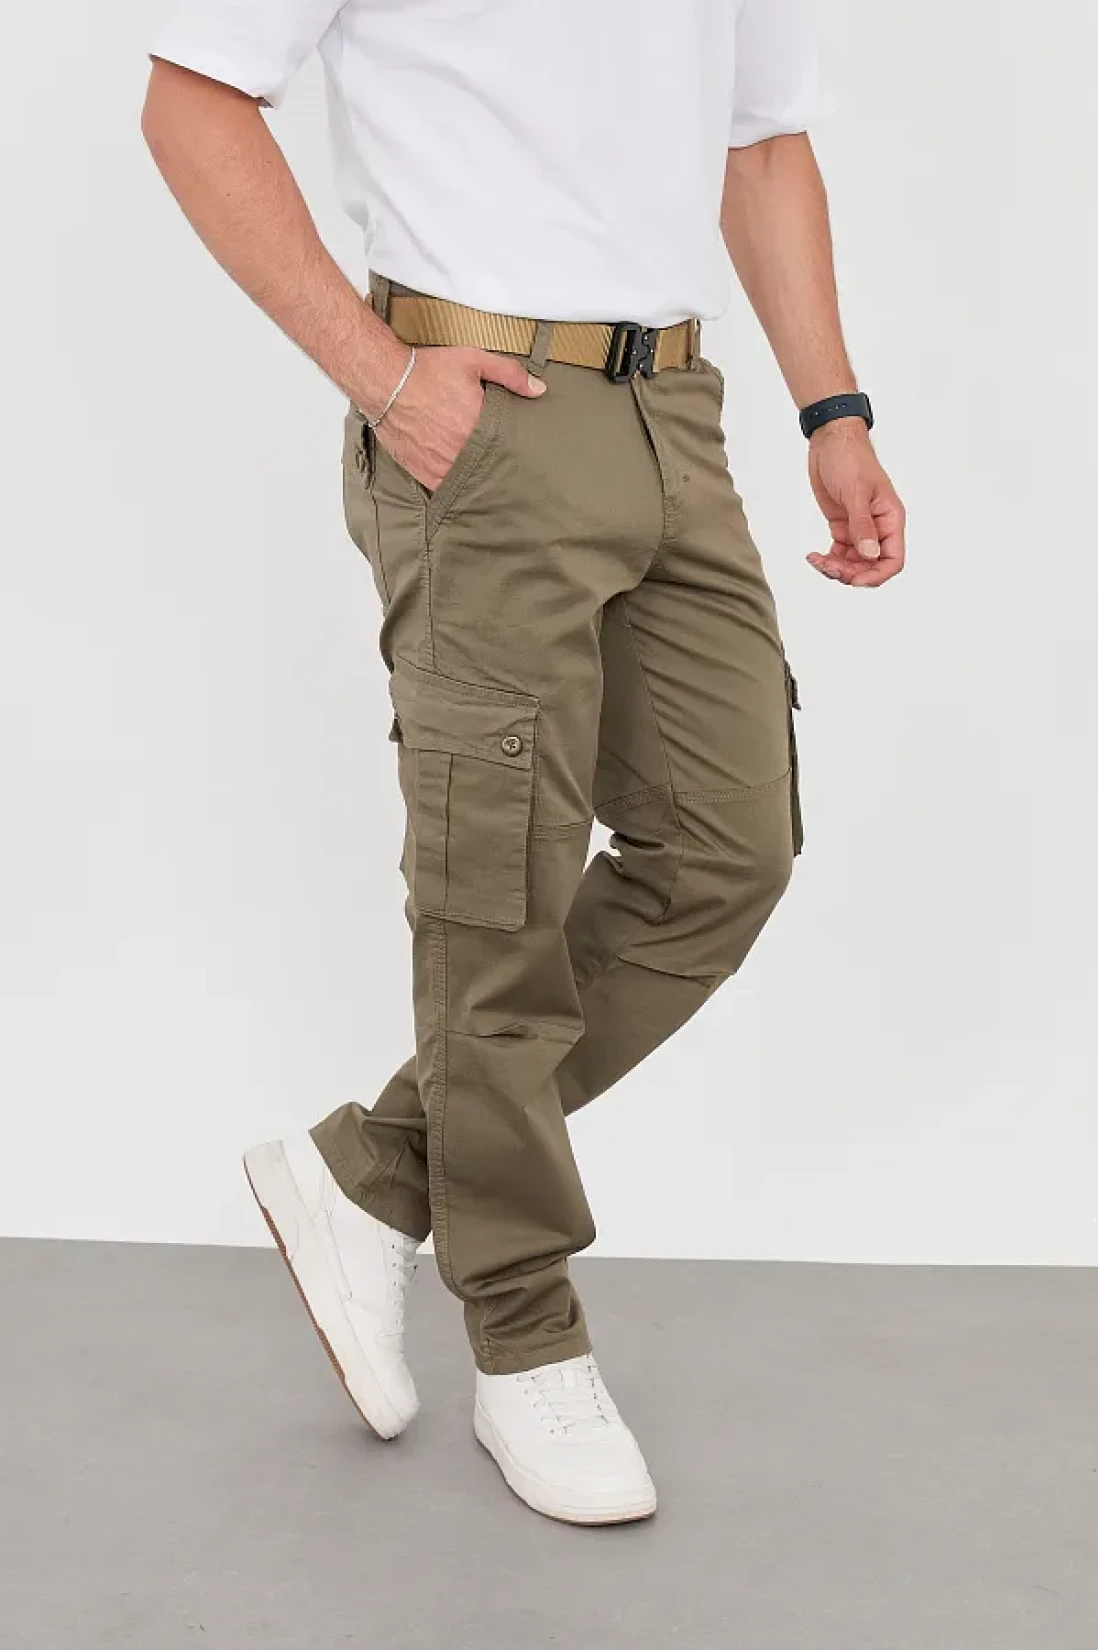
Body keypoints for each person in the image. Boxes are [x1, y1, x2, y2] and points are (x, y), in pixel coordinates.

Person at [142, 0, 906, 1527]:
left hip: (674, 409)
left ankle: (376, 1172)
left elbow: (762, 141)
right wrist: (383, 376)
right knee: (497, 897)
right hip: (476, 405)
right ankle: (523, 1329)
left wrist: (834, 410)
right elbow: (193, 99)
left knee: (727, 848)